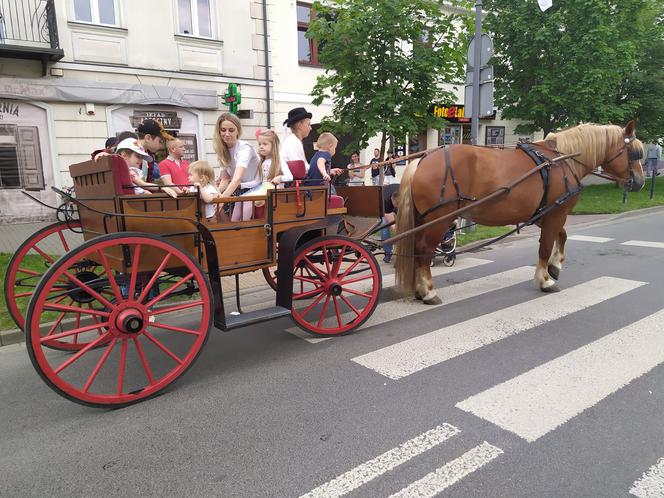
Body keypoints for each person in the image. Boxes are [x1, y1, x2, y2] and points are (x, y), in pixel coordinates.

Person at [213, 112, 261, 222]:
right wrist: (216, 195)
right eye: (223, 130)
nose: (227, 134)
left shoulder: (244, 148)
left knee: (236, 221)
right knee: (214, 208)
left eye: (231, 130)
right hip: (238, 189)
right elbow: (225, 179)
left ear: (238, 131)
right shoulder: (222, 149)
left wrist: (222, 199)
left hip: (253, 188)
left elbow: (237, 178)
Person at [380, 189, 399, 263]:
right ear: (392, 199)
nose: (396, 207)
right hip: (386, 209)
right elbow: (392, 224)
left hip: (403, 203)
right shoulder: (385, 200)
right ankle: (388, 253)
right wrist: (395, 227)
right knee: (384, 227)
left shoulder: (405, 194)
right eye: (395, 205)